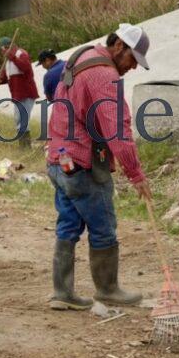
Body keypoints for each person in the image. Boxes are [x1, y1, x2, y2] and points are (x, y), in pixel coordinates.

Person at [45, 23, 153, 311]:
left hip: (59, 159)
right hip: (83, 163)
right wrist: (136, 174)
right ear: (119, 46)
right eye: (132, 60)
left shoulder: (81, 56)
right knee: (103, 226)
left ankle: (62, 293)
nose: (132, 68)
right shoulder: (106, 77)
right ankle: (108, 289)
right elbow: (117, 129)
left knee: (68, 224)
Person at [0, 36, 39, 147]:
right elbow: (7, 75)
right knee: (19, 120)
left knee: (22, 120)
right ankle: (24, 146)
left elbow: (26, 68)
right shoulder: (8, 60)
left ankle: (25, 147)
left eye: (1, 49)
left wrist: (12, 57)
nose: (1, 51)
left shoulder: (20, 54)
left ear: (6, 47)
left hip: (26, 93)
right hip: (17, 95)